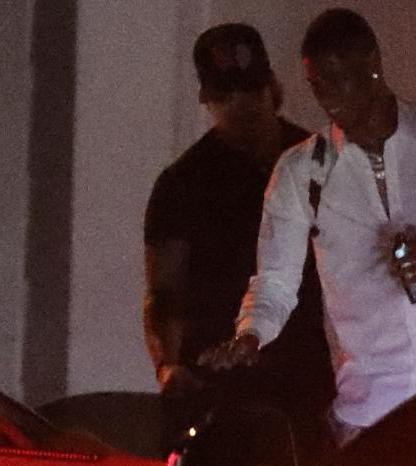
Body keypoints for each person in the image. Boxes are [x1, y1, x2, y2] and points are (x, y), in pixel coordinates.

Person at [202, 9, 416, 448]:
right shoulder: (302, 172)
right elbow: (274, 284)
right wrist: (251, 334)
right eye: (317, 85)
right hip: (371, 415)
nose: (329, 100)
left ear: (372, 63)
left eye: (339, 80)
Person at [143, 23, 333, 458]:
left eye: (251, 91)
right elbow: (164, 291)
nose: (242, 106)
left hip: (306, 384)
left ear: (272, 88)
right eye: (227, 96)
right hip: (218, 393)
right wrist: (168, 365)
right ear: (208, 101)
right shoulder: (183, 183)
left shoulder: (317, 161)